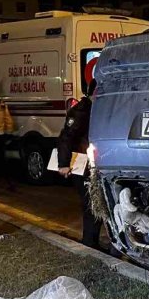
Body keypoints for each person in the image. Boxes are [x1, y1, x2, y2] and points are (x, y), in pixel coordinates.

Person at [56, 82, 99, 248]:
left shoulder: (93, 109)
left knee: (94, 205)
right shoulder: (82, 110)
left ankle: (91, 242)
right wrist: (64, 164)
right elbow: (66, 137)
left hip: (92, 165)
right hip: (83, 166)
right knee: (90, 205)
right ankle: (89, 243)